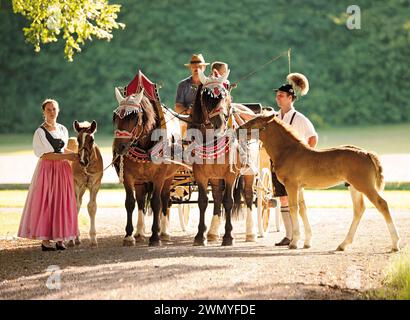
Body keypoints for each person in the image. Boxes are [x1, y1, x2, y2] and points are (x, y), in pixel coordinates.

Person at [18, 99, 79, 251]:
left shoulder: (63, 129)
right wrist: (68, 157)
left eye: (54, 109)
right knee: (46, 201)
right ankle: (45, 240)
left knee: (61, 201)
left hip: (62, 170)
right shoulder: (40, 132)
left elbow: (62, 149)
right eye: (49, 110)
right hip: (47, 170)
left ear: (58, 110)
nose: (52, 112)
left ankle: (59, 238)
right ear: (43, 112)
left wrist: (77, 155)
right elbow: (45, 155)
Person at [272, 79, 318, 246]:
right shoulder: (275, 117)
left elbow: (313, 138)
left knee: (297, 200)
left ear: (290, 98)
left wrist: (307, 158)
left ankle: (298, 234)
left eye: (281, 96)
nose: (278, 98)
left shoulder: (300, 118)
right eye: (277, 96)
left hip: (297, 169)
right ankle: (289, 234)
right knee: (283, 199)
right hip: (279, 165)